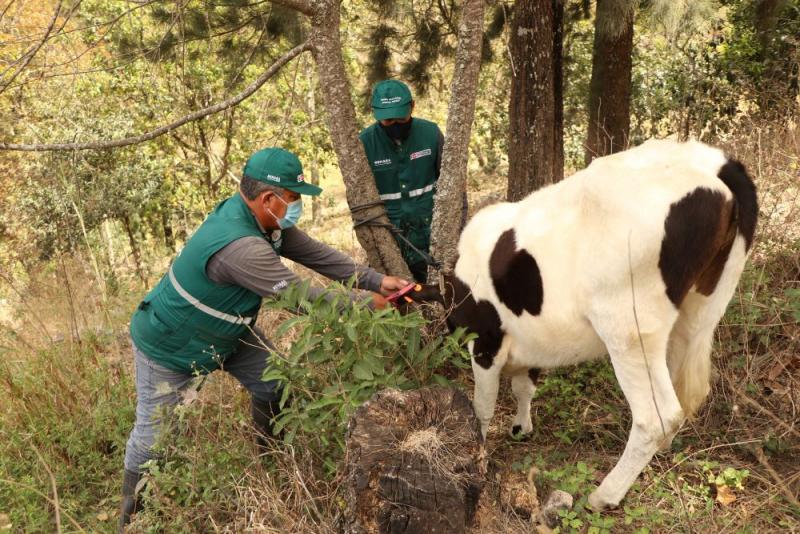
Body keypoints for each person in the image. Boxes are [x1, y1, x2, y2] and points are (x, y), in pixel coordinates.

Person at [118, 147, 408, 531]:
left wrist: (374, 280)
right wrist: (368, 305)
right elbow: (303, 298)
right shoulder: (243, 247)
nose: (296, 205)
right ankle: (132, 519)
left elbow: (315, 254)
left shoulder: (262, 221)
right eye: (293, 197)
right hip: (172, 342)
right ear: (269, 198)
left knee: (276, 384)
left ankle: (270, 460)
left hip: (229, 329)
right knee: (154, 440)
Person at [359, 79, 466, 283]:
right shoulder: (364, 143)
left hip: (432, 234)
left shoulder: (431, 134)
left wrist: (457, 229)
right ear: (375, 113)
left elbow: (455, 188)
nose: (395, 125)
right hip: (392, 240)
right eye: (388, 121)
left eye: (400, 118)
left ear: (412, 107)